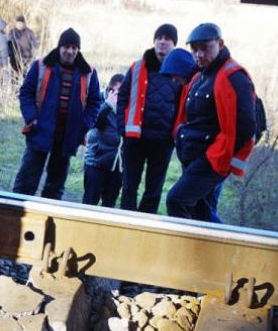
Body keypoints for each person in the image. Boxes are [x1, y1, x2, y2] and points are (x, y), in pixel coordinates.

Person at [166, 23, 256, 221]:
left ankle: (183, 242)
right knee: (202, 215)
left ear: (220, 44)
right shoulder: (202, 75)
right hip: (196, 157)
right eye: (194, 49)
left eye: (205, 48)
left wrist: (215, 157)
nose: (199, 54)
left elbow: (246, 127)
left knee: (176, 200)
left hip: (211, 160)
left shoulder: (233, 76)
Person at [12, 28, 101, 200]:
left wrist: (83, 126)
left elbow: (94, 102)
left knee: (55, 187)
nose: (70, 51)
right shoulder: (41, 66)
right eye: (66, 47)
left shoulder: (88, 72)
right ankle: (16, 210)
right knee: (26, 181)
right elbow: (26, 93)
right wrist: (32, 117)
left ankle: (48, 214)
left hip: (68, 136)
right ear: (59, 47)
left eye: (74, 48)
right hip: (40, 131)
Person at [116, 24, 181, 214]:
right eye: (159, 38)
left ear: (174, 44)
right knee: (129, 186)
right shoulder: (137, 67)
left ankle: (145, 225)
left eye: (167, 38)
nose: (162, 42)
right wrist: (122, 126)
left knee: (153, 190)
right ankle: (126, 222)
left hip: (163, 140)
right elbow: (122, 96)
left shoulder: (180, 71)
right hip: (135, 138)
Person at [83, 73, 125, 207]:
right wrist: (108, 105)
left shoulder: (128, 106)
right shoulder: (99, 101)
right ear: (109, 90)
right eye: (119, 92)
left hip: (117, 166)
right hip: (96, 163)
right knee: (89, 204)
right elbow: (93, 122)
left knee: (109, 206)